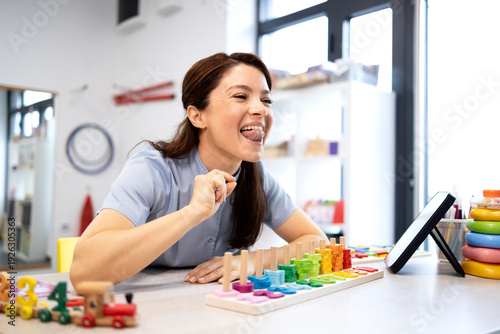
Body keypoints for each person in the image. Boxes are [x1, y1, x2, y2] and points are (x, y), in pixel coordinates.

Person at [70, 52, 328, 287]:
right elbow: (85, 270)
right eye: (241, 96)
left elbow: (318, 242)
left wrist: (251, 262)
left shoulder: (256, 176)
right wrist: (193, 212)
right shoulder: (152, 169)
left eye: (266, 99)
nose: (261, 109)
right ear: (197, 116)